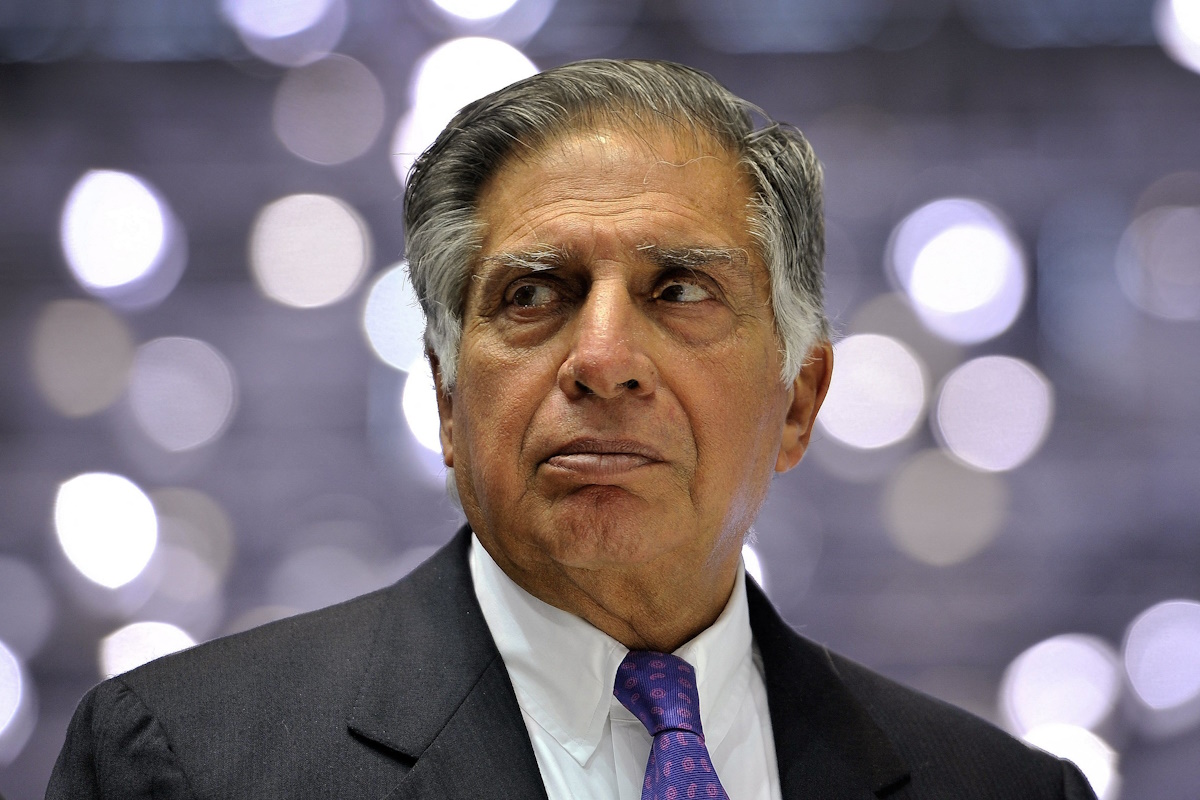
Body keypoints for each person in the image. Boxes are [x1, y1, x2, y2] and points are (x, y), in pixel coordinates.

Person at [47, 59, 1097, 799]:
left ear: (799, 402)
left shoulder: (1005, 787)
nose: (602, 357)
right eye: (534, 293)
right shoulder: (185, 762)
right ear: (448, 402)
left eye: (679, 289)